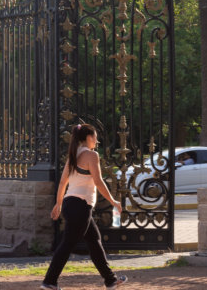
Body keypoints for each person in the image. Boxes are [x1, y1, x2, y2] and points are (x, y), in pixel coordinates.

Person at [41, 123, 128, 289]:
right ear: (88, 137)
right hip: (80, 206)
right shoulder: (91, 155)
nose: (96, 141)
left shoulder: (73, 155)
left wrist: (59, 204)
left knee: (94, 241)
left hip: (70, 204)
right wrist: (113, 201)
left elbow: (62, 182)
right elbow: (98, 181)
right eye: (95, 137)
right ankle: (49, 281)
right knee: (67, 244)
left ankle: (110, 280)